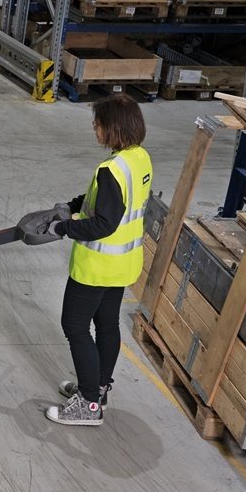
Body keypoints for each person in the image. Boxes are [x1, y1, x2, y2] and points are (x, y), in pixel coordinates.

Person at [36, 95, 154, 427]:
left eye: (97, 123)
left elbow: (104, 223)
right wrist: (75, 203)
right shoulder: (138, 158)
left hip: (97, 267)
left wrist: (64, 226)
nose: (94, 129)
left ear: (112, 128)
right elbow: (112, 204)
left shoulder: (111, 170)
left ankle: (89, 405)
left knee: (74, 326)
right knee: (106, 324)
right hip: (124, 263)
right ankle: (98, 388)